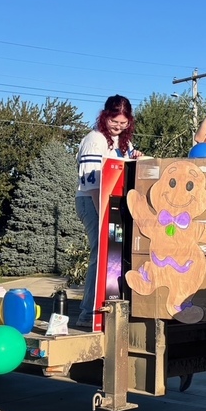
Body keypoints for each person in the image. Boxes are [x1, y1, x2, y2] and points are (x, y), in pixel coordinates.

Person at [75, 95, 143, 329]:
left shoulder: (123, 142)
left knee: (113, 256)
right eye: (115, 121)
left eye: (124, 123)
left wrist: (137, 158)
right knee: (101, 253)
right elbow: (92, 183)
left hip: (113, 204)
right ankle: (87, 313)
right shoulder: (95, 140)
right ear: (105, 116)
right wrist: (104, 214)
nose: (119, 126)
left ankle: (107, 309)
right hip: (92, 201)